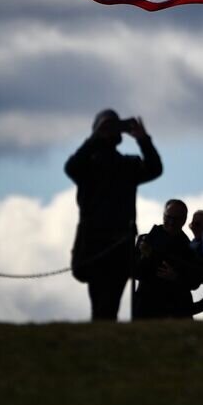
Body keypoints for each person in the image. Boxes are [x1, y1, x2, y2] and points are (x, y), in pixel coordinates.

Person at [65, 109, 163, 321]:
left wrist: (143, 139)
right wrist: (95, 138)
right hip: (95, 242)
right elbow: (71, 167)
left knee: (108, 303)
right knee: (102, 302)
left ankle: (104, 337)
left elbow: (155, 168)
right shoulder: (87, 167)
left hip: (119, 243)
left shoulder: (128, 165)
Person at [133, 199, 201, 320]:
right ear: (163, 215)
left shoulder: (190, 249)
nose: (171, 222)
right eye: (168, 217)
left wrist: (176, 277)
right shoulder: (145, 240)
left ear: (184, 220)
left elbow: (195, 282)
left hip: (176, 309)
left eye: (176, 219)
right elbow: (135, 272)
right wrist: (145, 257)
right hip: (146, 307)